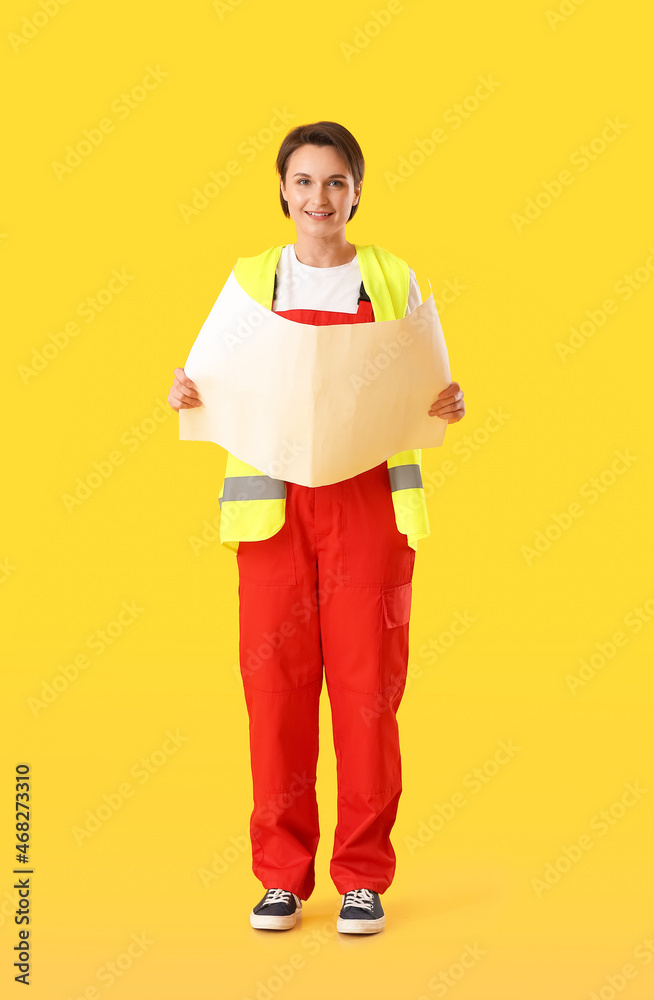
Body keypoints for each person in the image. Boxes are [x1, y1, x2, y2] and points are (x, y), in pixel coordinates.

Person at [168, 121, 465, 935]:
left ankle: (363, 876)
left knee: (369, 696)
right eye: (304, 182)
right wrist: (184, 391)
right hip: (273, 508)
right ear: (283, 191)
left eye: (335, 182)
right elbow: (208, 377)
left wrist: (449, 402)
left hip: (368, 502)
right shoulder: (248, 280)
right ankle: (281, 877)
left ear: (357, 190)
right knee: (275, 696)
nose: (319, 198)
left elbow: (428, 381)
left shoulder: (393, 278)